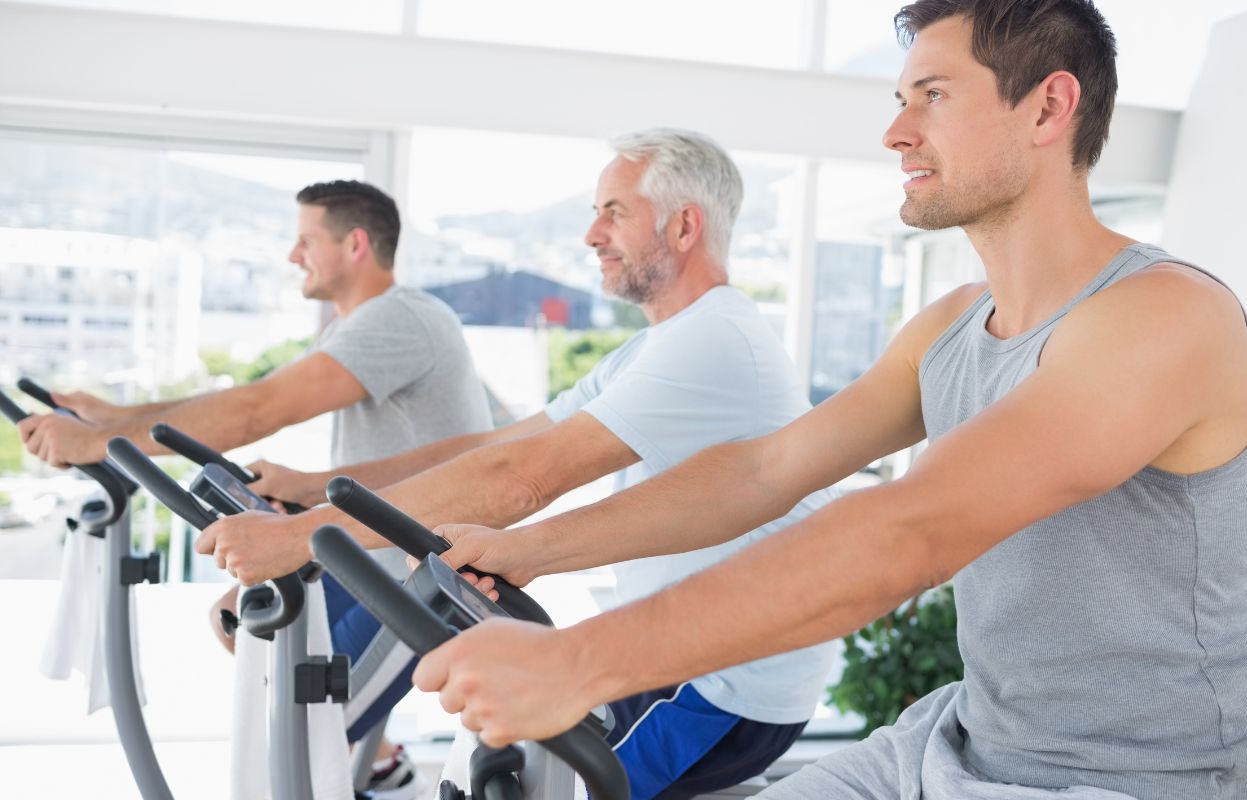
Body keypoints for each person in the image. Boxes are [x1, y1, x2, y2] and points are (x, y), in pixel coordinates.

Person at [390, 2, 1247, 798]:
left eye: (932, 96)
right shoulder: (948, 327)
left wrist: (579, 664)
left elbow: (912, 531)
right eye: (900, 100)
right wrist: (530, 549)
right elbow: (766, 470)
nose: (896, 132)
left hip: (1142, 781)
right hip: (963, 740)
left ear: (1050, 107)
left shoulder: (1164, 319)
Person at [196, 129, 839, 800]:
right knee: (495, 758)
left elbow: (522, 479)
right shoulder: (656, 346)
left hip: (719, 684)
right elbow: (497, 448)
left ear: (684, 226)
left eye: (614, 212)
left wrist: (301, 537)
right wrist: (313, 493)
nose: (591, 234)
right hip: (667, 650)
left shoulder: (712, 338)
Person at [18, 179, 492, 798]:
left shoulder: (400, 318)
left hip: (422, 570)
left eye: (305, 241)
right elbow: (249, 400)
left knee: (309, 717)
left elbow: (258, 409)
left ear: (354, 244)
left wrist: (100, 441)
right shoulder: (362, 323)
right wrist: (115, 419)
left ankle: (385, 774)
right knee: (239, 621)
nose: (293, 255)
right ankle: (383, 768)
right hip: (369, 552)